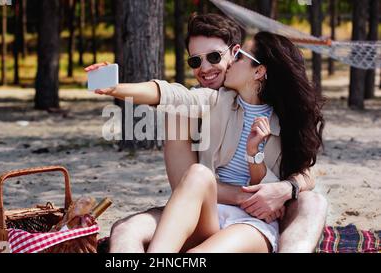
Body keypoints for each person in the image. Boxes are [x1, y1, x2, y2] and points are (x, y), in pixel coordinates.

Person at [86, 13, 328, 253]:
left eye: (237, 55)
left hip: (251, 223)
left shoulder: (286, 121)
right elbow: (171, 93)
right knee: (132, 223)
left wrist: (278, 183)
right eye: (195, 61)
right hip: (208, 212)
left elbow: (304, 173)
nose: (206, 68)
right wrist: (117, 88)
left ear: (259, 71)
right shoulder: (216, 100)